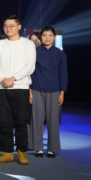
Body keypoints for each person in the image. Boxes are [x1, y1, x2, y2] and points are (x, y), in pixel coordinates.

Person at [0, 15, 37, 165]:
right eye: (5, 25)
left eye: (11, 25)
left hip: (20, 87)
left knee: (21, 121)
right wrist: (3, 78)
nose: (8, 28)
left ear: (19, 26)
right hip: (2, 86)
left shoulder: (28, 44)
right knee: (4, 121)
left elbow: (30, 66)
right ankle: (7, 152)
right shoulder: (0, 44)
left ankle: (22, 152)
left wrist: (13, 78)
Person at [30, 26, 67, 158]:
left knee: (53, 121)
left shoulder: (60, 53)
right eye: (44, 35)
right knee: (37, 120)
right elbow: (31, 73)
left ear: (54, 37)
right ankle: (38, 148)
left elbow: (63, 74)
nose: (47, 38)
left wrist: (62, 92)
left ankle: (52, 148)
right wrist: (30, 91)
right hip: (37, 89)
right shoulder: (35, 52)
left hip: (54, 90)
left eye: (50, 35)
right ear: (41, 37)